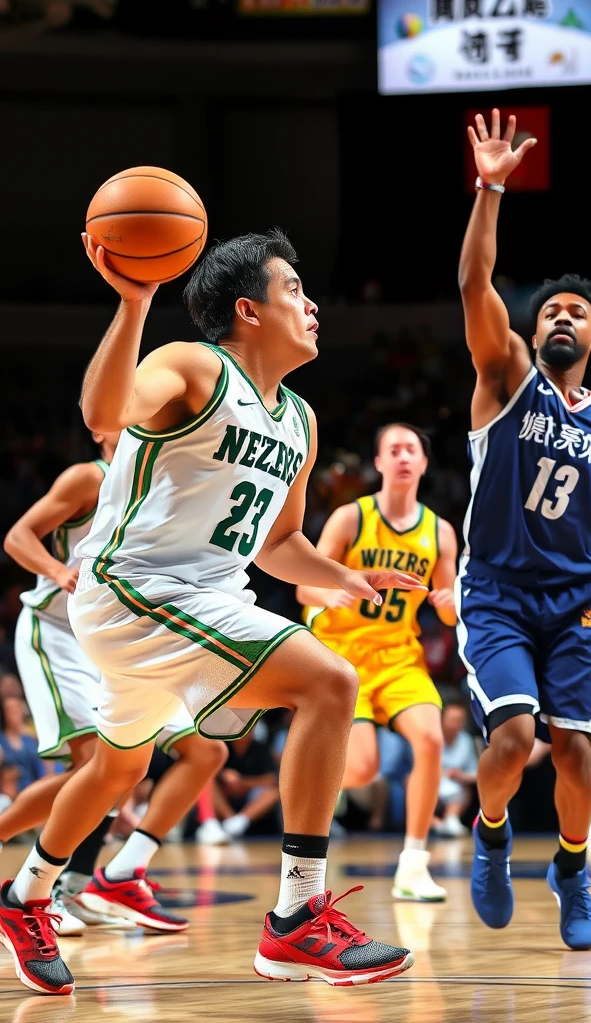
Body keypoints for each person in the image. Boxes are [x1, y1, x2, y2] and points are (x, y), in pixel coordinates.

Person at [0, 229, 425, 995]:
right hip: (135, 588)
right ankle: (298, 918)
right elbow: (103, 412)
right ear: (247, 310)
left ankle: (25, 895)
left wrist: (338, 575)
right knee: (329, 682)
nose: (313, 302)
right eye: (293, 288)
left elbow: (279, 544)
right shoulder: (193, 365)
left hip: (196, 600)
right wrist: (134, 304)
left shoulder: (299, 419)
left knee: (119, 766)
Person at [458, 109, 591, 950]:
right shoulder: (506, 377)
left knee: (575, 750)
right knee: (512, 739)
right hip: (499, 593)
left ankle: (572, 870)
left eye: (578, 313)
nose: (563, 320)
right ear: (533, 332)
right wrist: (491, 188)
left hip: (576, 599)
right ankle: (494, 835)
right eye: (551, 313)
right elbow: (476, 286)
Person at [2, 440, 230, 935]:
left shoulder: (169, 481)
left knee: (204, 752)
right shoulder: (88, 477)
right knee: (95, 767)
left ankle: (119, 873)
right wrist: (60, 572)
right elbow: (18, 536)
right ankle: (42, 886)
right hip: (60, 631)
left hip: (127, 637)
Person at [297, 422, 458, 902]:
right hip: (342, 657)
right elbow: (305, 584)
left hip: (399, 657)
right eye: (394, 449)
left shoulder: (440, 532)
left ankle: (413, 863)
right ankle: (313, 772)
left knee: (429, 738)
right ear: (381, 462)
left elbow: (446, 612)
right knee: (363, 770)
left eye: (412, 449)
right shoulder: (351, 518)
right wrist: (330, 596)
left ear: (424, 464)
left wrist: (453, 601)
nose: (404, 456)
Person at [213, 731, 281, 839]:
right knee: (209, 787)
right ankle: (229, 819)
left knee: (273, 793)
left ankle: (238, 823)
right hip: (225, 796)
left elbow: (272, 779)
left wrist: (243, 783)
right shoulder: (222, 746)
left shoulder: (260, 748)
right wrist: (223, 775)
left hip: (251, 796)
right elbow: (210, 774)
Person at [434, 702, 477, 837]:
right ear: (441, 720)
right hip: (430, 783)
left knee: (465, 789)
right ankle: (436, 825)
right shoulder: (431, 737)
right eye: (452, 720)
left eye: (460, 721)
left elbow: (475, 773)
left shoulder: (466, 740)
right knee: (411, 782)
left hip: (455, 787)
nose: (456, 724)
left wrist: (461, 775)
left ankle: (451, 820)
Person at [0, 697, 44, 795]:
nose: (15, 712)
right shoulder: (1, 740)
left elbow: (39, 769)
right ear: (3, 713)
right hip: (8, 794)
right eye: (10, 710)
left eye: (18, 708)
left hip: (33, 790)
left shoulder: (30, 740)